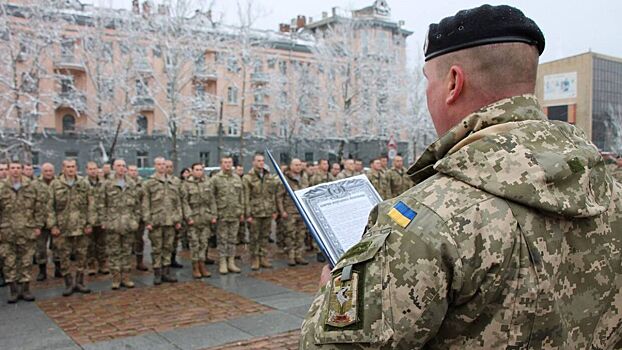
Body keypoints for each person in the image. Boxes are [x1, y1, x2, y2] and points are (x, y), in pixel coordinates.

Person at [300, 5, 622, 349]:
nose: (427, 94)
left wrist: (330, 294)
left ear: (454, 82)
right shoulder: (607, 190)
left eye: (428, 81)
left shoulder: (429, 221)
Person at [0, 161, 45, 303]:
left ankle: (25, 289)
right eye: (12, 168)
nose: (15, 171)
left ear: (22, 170)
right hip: (7, 230)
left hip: (27, 229)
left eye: (18, 168)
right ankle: (13, 290)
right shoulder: (2, 187)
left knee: (26, 260)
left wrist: (38, 226)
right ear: (8, 170)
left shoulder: (31, 186)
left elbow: (39, 207)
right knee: (9, 261)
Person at [49, 159, 95, 297]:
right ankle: (68, 283)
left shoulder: (84, 183)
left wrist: (89, 223)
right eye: (68, 167)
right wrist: (53, 225)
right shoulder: (55, 184)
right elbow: (49, 207)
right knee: (64, 256)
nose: (70, 169)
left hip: (81, 227)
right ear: (63, 168)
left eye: (73, 167)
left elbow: (91, 205)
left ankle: (80, 282)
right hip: (63, 227)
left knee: (82, 255)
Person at [100, 159, 141, 290]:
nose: (121, 168)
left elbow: (137, 205)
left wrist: (135, 220)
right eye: (119, 166)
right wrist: (104, 221)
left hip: (128, 223)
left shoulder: (131, 184)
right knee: (114, 252)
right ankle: (116, 277)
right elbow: (101, 204)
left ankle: (126, 277)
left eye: (124, 166)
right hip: (113, 223)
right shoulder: (107, 184)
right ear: (113, 167)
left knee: (127, 251)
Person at [142, 157, 182, 285]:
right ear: (155, 166)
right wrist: (147, 221)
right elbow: (145, 203)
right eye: (159, 164)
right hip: (156, 221)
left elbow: (178, 202)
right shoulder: (149, 183)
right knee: (156, 248)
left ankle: (166, 271)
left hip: (170, 220)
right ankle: (157, 273)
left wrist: (178, 218)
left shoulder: (174, 182)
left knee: (168, 247)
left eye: (163, 164)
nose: (161, 167)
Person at [209, 156, 244, 274]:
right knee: (222, 239)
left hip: (234, 213)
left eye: (230, 162)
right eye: (225, 162)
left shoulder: (237, 178)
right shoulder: (215, 179)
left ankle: (231, 261)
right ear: (221, 164)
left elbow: (241, 196)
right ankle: (223, 261)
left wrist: (241, 210)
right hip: (222, 213)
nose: (228, 165)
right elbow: (211, 198)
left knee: (233, 239)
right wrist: (214, 214)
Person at [181, 163, 215, 279]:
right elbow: (184, 203)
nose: (199, 172)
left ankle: (202, 265)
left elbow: (212, 200)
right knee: (194, 244)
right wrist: (188, 217)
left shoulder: (207, 183)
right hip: (193, 219)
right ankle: (195, 266)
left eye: (201, 170)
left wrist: (213, 215)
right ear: (192, 171)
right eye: (197, 170)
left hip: (205, 217)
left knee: (204, 243)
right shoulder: (186, 184)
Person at [243, 153, 277, 271]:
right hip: (255, 212)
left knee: (265, 236)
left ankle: (263, 257)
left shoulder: (268, 176)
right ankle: (254, 258)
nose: (261, 163)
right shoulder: (248, 178)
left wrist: (273, 210)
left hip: (267, 210)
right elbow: (246, 197)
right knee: (254, 237)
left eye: (262, 161)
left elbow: (272, 194)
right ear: (253, 162)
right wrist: (247, 214)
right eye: (258, 161)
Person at [276, 158, 309, 266]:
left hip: (302, 212)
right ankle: (291, 256)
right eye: (295, 165)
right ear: (291, 166)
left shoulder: (304, 177)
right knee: (290, 235)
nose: (298, 167)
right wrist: (282, 211)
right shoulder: (285, 179)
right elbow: (279, 197)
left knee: (301, 235)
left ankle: (299, 255)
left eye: (299, 165)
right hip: (290, 211)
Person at [34, 162, 59, 281]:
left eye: (50, 171)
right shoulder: (35, 184)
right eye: (46, 171)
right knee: (40, 248)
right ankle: (42, 271)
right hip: (41, 221)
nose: (48, 173)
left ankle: (58, 269)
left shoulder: (59, 183)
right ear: (42, 172)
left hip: (56, 220)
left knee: (57, 246)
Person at [85, 162, 109, 276]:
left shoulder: (104, 184)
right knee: (89, 244)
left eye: (95, 169)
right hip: (89, 218)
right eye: (90, 169)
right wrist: (85, 222)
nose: (93, 171)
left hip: (102, 218)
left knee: (102, 243)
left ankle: (103, 264)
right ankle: (91, 265)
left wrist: (106, 219)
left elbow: (108, 202)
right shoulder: (83, 184)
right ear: (87, 170)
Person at [128, 165, 148, 271]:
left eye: (135, 170)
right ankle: (125, 264)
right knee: (126, 240)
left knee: (139, 239)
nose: (133, 172)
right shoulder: (124, 183)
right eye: (131, 170)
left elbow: (145, 200)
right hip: (127, 216)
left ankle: (139, 261)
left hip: (139, 216)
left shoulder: (142, 184)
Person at [165, 159, 184, 269]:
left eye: (171, 167)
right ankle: (163, 264)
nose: (168, 169)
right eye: (166, 166)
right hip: (162, 215)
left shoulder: (177, 181)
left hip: (175, 215)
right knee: (164, 242)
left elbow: (181, 198)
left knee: (175, 239)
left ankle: (172, 259)